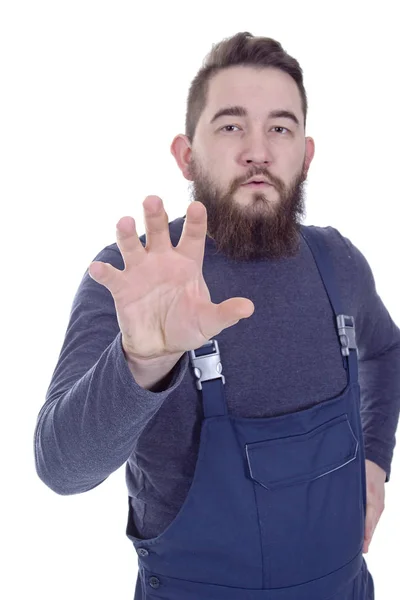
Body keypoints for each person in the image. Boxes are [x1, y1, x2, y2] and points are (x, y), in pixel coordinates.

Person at [34, 32, 400, 599]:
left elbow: (386, 350)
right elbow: (62, 468)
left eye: (280, 127)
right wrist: (144, 360)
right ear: (187, 154)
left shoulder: (338, 263)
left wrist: (376, 460)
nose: (258, 149)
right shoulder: (135, 278)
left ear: (305, 153)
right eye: (231, 126)